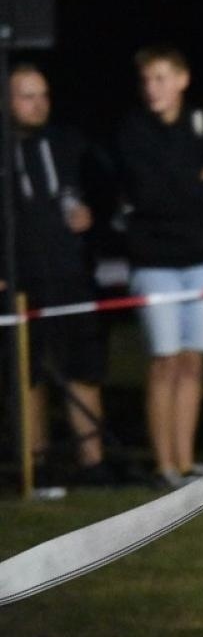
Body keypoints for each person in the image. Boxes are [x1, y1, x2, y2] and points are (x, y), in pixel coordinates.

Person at [115, 46, 203, 488]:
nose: (152, 88)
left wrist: (192, 186)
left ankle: (185, 460)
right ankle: (163, 465)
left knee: (192, 361)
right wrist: (192, 184)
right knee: (164, 362)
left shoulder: (199, 122)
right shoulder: (133, 131)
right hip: (154, 262)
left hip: (199, 259)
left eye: (160, 78)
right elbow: (149, 194)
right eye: (146, 80)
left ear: (182, 79)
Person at [2, 64, 111, 485]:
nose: (38, 104)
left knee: (84, 367)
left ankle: (93, 463)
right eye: (27, 96)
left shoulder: (68, 143)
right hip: (21, 280)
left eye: (43, 95)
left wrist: (91, 216)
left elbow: (101, 191)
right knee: (28, 373)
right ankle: (37, 465)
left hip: (71, 275)